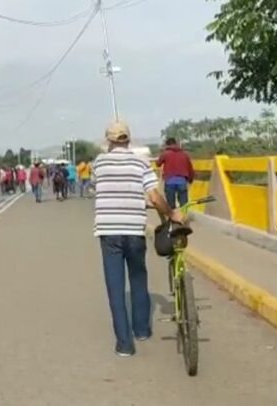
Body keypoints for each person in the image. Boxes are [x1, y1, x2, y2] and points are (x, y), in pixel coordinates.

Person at [93, 121, 183, 357]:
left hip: (108, 231)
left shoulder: (99, 163)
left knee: (115, 287)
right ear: (128, 139)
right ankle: (141, 330)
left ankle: (124, 344)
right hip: (134, 230)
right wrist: (171, 214)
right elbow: (154, 197)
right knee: (138, 279)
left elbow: (98, 186)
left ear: (109, 140)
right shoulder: (140, 162)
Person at [156, 137, 195, 209]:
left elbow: (158, 164)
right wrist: (190, 179)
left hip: (170, 181)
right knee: (184, 205)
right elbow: (190, 168)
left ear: (167, 145)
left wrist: (161, 153)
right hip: (182, 181)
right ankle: (183, 214)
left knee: (171, 206)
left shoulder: (165, 154)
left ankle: (173, 215)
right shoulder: (184, 154)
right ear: (176, 144)